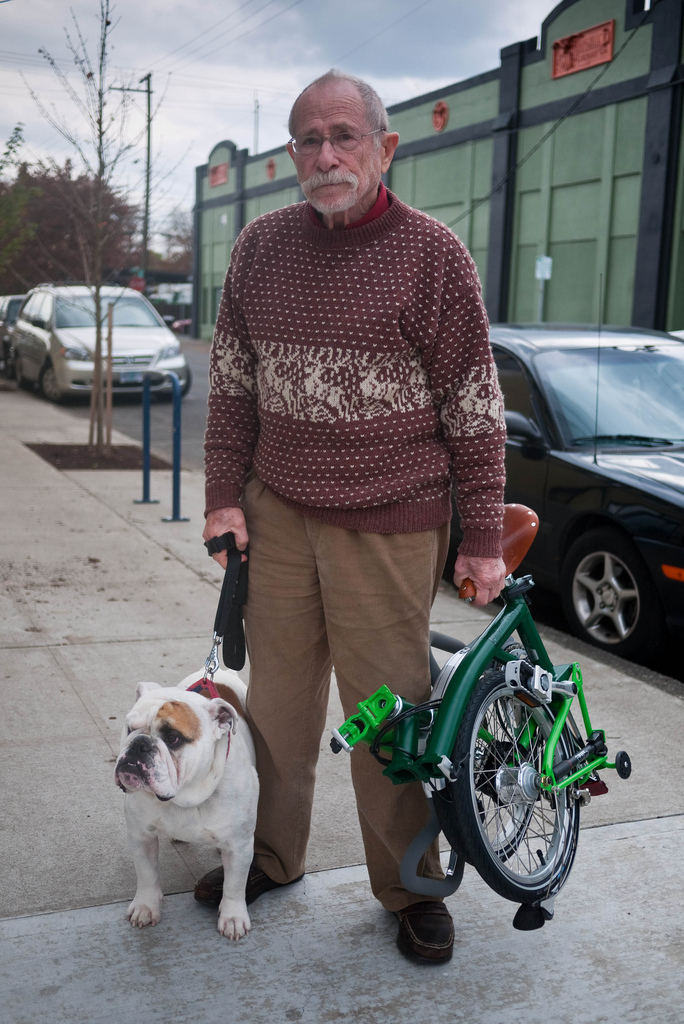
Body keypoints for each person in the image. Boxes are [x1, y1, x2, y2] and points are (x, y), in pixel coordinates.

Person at [195, 69, 506, 964]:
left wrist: (481, 537)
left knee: (389, 716)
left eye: (344, 136)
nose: (325, 156)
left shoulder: (434, 255)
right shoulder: (258, 247)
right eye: (307, 139)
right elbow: (234, 390)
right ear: (290, 153)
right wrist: (224, 496)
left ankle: (409, 884)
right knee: (277, 711)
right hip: (279, 511)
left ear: (385, 146)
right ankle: (269, 857)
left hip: (391, 520)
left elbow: (474, 410)